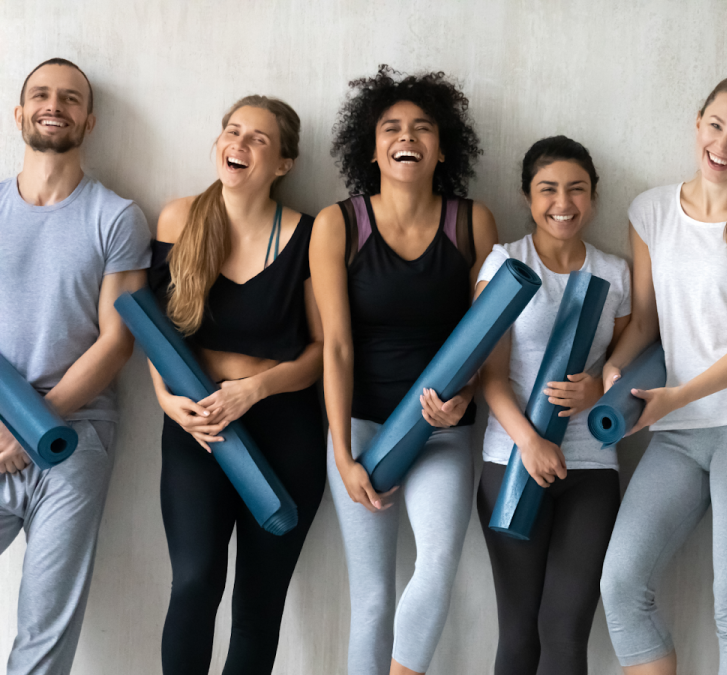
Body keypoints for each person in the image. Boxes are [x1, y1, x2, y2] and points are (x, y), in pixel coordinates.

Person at [598, 74, 727, 675]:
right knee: (621, 584)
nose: (724, 144)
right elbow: (646, 323)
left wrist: (680, 394)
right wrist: (616, 367)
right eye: (716, 126)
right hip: (676, 427)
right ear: (697, 124)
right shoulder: (651, 210)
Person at [311, 67, 498, 675]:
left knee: (438, 563)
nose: (406, 136)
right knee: (371, 597)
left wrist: (465, 396)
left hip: (441, 429)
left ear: (443, 148)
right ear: (372, 147)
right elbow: (335, 347)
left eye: (422, 127)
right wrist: (342, 453)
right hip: (361, 429)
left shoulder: (474, 222)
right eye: (391, 127)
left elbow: (487, 336)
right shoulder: (337, 223)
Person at [147, 95, 324, 675]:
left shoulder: (310, 233)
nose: (239, 144)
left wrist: (257, 389)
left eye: (259, 139)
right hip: (199, 428)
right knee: (195, 583)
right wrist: (166, 400)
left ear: (283, 163)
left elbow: (321, 352)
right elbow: (154, 329)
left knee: (258, 605)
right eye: (232, 131)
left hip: (286, 430)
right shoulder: (178, 220)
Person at [0, 58, 150, 674]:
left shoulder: (116, 217)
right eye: (40, 94)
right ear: (19, 113)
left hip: (73, 437)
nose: (52, 104)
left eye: (69, 98)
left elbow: (117, 342)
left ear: (88, 121)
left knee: (46, 630)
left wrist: (29, 428)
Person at [475, 136, 631, 675]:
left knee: (565, 633)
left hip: (592, 468)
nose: (562, 202)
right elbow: (488, 376)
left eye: (576, 189)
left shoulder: (616, 273)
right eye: (547, 189)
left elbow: (631, 365)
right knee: (518, 634)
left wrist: (600, 390)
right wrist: (530, 441)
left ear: (593, 196)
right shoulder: (505, 264)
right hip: (511, 463)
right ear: (527, 197)